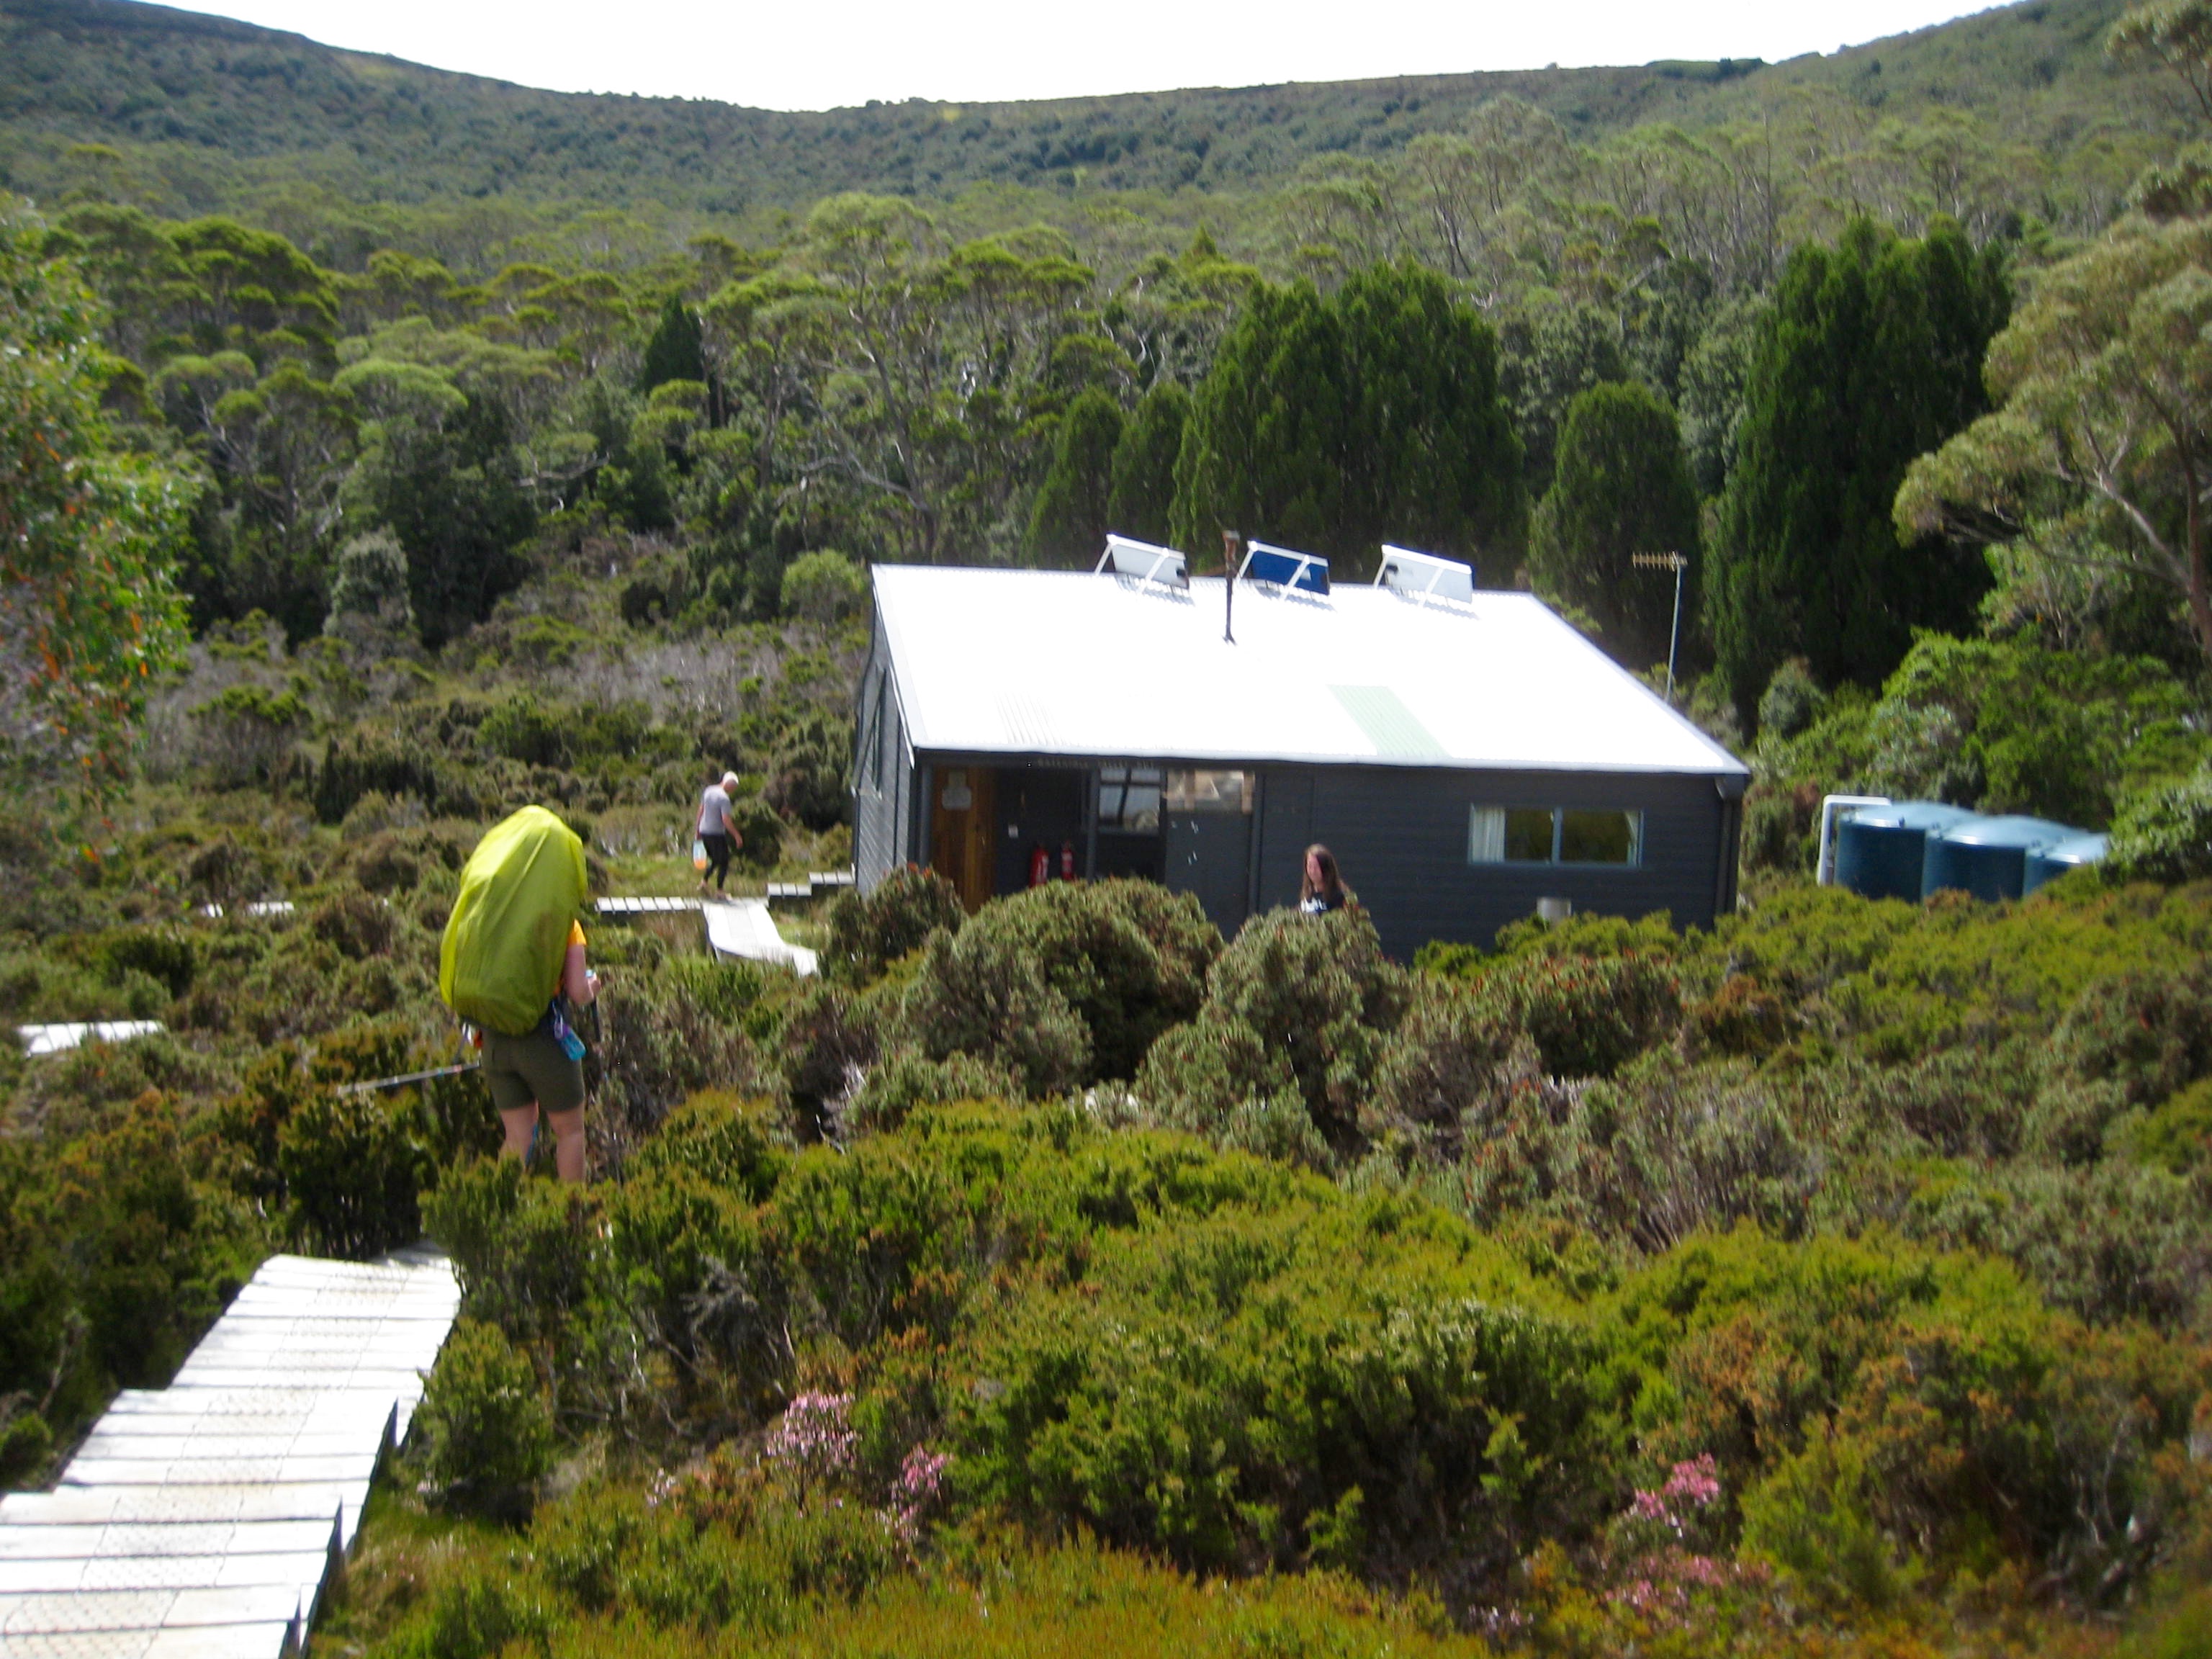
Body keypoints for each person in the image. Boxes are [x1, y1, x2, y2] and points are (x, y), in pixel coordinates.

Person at [480, 918, 598, 1183]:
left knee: (517, 1136)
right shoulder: (566, 922)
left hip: (495, 1038)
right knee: (569, 1132)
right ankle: (574, 1217)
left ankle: (501, 1211)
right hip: (543, 1039)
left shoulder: (494, 916)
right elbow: (579, 993)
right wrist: (594, 987)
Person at [697, 770, 743, 896]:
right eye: (734, 787)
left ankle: (704, 882)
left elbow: (701, 811)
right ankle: (720, 890)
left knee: (716, 860)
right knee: (724, 861)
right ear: (729, 784)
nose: (733, 790)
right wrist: (737, 836)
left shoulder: (708, 791)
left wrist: (697, 830)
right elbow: (726, 820)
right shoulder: (724, 798)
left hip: (704, 831)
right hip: (716, 833)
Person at [1299, 843, 1349, 914]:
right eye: (1310, 866)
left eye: (1316, 867)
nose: (1313, 871)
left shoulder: (1339, 896)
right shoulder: (1307, 893)